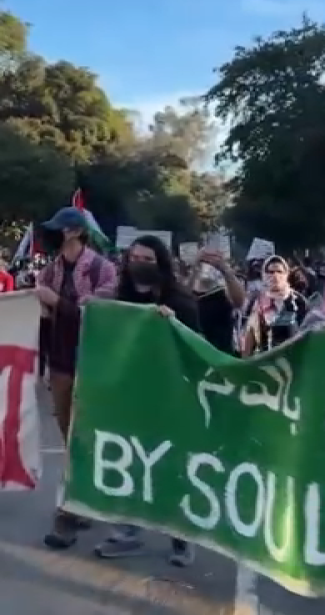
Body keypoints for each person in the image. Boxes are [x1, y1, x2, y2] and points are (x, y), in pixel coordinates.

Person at [95, 234, 198, 566]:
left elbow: (195, 345)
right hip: (129, 394)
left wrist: (172, 324)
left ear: (161, 264)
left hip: (170, 395)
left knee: (169, 464)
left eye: (148, 260)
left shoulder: (180, 300)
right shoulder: (119, 298)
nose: (139, 264)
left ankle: (181, 536)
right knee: (129, 460)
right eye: (134, 257)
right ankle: (127, 533)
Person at [36, 207, 118, 550]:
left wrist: (57, 303)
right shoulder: (50, 269)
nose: (50, 236)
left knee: (84, 435)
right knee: (71, 437)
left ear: (73, 232)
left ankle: (69, 510)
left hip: (92, 361)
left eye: (57, 230)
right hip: (59, 360)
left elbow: (99, 315)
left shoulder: (103, 269)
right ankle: (82, 501)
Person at [238, 255, 309, 356]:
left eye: (279, 272)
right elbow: (248, 335)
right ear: (264, 275)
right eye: (270, 272)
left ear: (286, 274)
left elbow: (307, 332)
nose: (275, 275)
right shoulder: (256, 302)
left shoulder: (299, 301)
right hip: (264, 360)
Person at [188, 250, 245, 355]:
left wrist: (224, 269)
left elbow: (239, 301)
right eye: (204, 262)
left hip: (222, 352)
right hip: (195, 353)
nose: (208, 266)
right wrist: (195, 267)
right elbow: (184, 297)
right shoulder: (190, 290)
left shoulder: (223, 291)